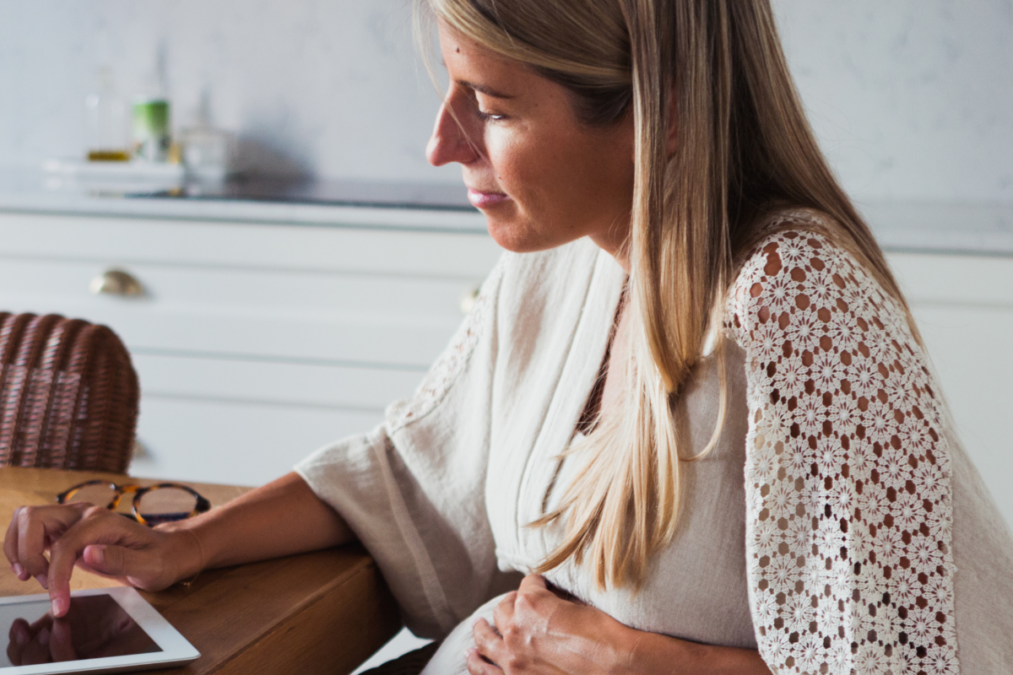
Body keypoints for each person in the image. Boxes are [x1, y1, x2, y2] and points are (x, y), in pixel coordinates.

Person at [6, 1, 1013, 673]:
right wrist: (185, 543)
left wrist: (638, 665)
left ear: (659, 114)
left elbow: (913, 660)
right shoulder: (556, 260)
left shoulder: (796, 303)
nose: (439, 144)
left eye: (489, 107)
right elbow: (412, 470)